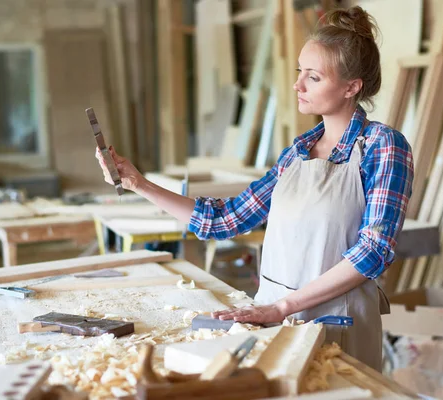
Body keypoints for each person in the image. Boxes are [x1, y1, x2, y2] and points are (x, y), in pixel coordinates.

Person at [96, 6, 413, 372]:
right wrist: (140, 183)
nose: (297, 85)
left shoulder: (384, 146)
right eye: (299, 72)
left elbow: (374, 251)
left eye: (313, 77)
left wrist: (283, 306)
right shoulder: (297, 152)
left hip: (337, 326)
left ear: (351, 87)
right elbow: (224, 219)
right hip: (273, 321)